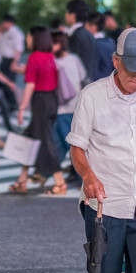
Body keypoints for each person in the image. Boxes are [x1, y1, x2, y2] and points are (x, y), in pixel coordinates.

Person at [67, 28, 136, 273]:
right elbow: (77, 147)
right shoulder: (92, 95)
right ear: (116, 61)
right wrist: (88, 175)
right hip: (105, 206)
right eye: (134, 70)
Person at [9, 26, 66, 195]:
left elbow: (31, 84)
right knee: (32, 137)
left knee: (45, 141)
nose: (27, 39)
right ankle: (22, 180)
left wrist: (21, 108)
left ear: (35, 39)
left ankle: (60, 182)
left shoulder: (34, 57)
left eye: (29, 36)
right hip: (51, 100)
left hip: (40, 100)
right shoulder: (50, 56)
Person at [51, 31, 86, 171]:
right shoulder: (75, 58)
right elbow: (83, 77)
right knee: (62, 143)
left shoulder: (53, 61)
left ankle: (81, 177)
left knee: (67, 144)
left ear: (57, 45)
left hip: (62, 108)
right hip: (76, 106)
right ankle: (49, 171)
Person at [65, 0, 97, 83]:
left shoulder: (74, 36)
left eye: (67, 13)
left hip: (77, 85)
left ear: (72, 15)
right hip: (89, 83)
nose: (66, 15)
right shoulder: (89, 35)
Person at [0, 15, 24, 112]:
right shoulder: (3, 32)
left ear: (10, 23)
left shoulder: (16, 34)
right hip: (2, 60)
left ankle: (13, 105)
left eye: (4, 22)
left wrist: (14, 62)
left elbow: (18, 50)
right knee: (0, 82)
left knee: (9, 83)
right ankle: (6, 105)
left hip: (11, 60)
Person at [85, 12, 115, 81]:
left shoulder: (93, 44)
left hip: (97, 84)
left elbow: (93, 71)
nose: (85, 29)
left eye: (86, 26)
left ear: (93, 27)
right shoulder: (110, 41)